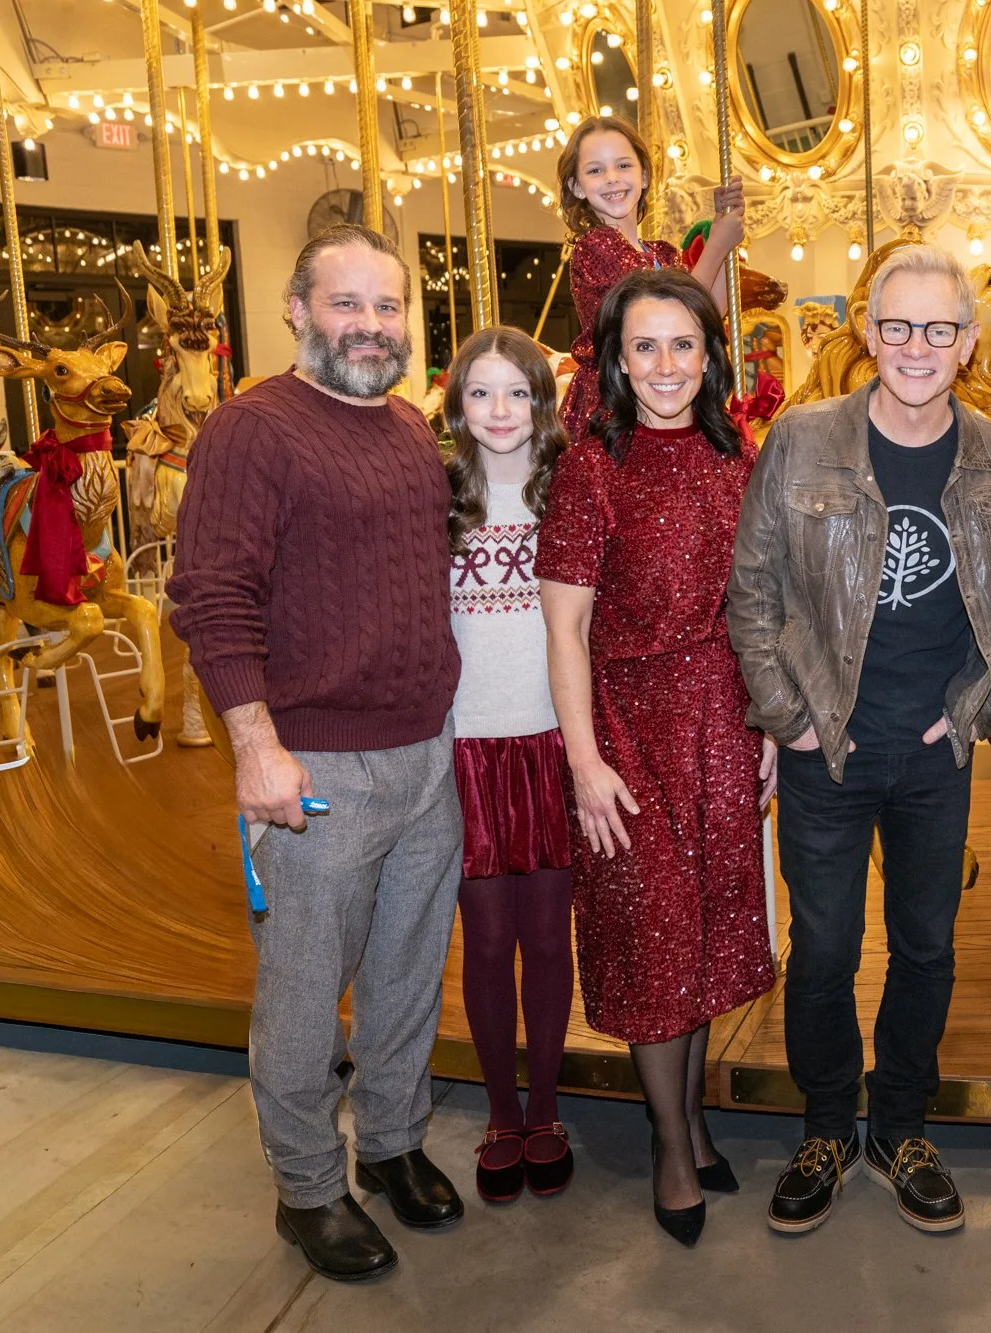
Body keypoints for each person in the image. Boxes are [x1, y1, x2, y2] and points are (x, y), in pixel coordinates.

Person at [168, 223, 464, 1283]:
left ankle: (388, 1141)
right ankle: (305, 1187)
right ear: (295, 309)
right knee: (303, 993)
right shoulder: (253, 429)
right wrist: (255, 746)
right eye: (348, 305)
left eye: (388, 308)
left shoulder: (398, 425)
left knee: (404, 974)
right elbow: (211, 595)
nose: (372, 326)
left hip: (426, 756)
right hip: (318, 767)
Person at [727, 244, 991, 1237]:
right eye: (895, 326)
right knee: (820, 950)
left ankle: (900, 1123)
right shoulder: (802, 440)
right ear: (866, 332)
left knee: (925, 947)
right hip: (828, 746)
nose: (914, 346)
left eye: (936, 328)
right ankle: (824, 1124)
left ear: (967, 341)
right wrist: (792, 718)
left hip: (934, 753)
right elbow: (754, 593)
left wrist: (975, 707)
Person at [535, 267, 775, 1249]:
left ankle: (695, 1117)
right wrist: (584, 762)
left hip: (720, 720)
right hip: (627, 725)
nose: (667, 365)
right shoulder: (591, 466)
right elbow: (562, 630)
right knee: (651, 939)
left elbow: (760, 606)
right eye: (645, 346)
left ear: (710, 354)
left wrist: (764, 729)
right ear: (615, 359)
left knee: (706, 937)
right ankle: (670, 1146)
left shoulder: (735, 457)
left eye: (683, 344)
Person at [442, 326, 576, 1205]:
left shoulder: (566, 493)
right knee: (487, 937)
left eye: (516, 392)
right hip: (466, 747)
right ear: (457, 407)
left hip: (554, 741)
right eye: (481, 393)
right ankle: (499, 1111)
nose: (500, 411)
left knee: (546, 934)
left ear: (541, 402)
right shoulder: (436, 497)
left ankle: (547, 1106)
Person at [555, 114, 744, 442]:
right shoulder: (596, 246)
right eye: (595, 170)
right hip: (617, 400)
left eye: (624, 166)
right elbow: (681, 314)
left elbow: (709, 312)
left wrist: (722, 226)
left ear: (644, 175)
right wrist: (716, 244)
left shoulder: (662, 253)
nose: (612, 178)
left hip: (657, 392)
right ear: (576, 186)